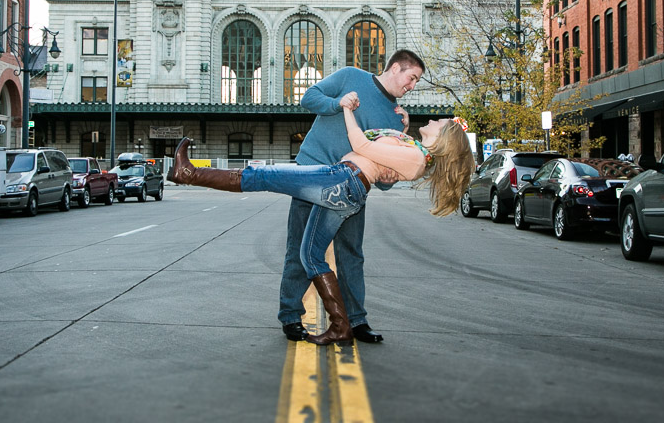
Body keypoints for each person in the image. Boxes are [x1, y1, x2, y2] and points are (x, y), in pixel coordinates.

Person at [168, 93, 474, 345]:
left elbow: (362, 146)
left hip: (339, 180)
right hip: (347, 188)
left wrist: (345, 110)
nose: (433, 120)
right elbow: (385, 155)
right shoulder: (416, 152)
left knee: (264, 174)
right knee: (311, 255)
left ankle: (189, 173)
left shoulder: (418, 158)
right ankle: (341, 326)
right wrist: (403, 130)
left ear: (445, 137)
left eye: (439, 122)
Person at [282, 50, 424, 344]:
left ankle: (357, 321)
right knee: (300, 248)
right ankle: (291, 316)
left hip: (353, 188)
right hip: (314, 172)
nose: (412, 86)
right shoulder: (350, 77)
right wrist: (338, 104)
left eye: (416, 82)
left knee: (351, 255)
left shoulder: (397, 120)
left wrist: (387, 177)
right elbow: (309, 98)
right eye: (412, 78)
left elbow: (385, 180)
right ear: (395, 68)